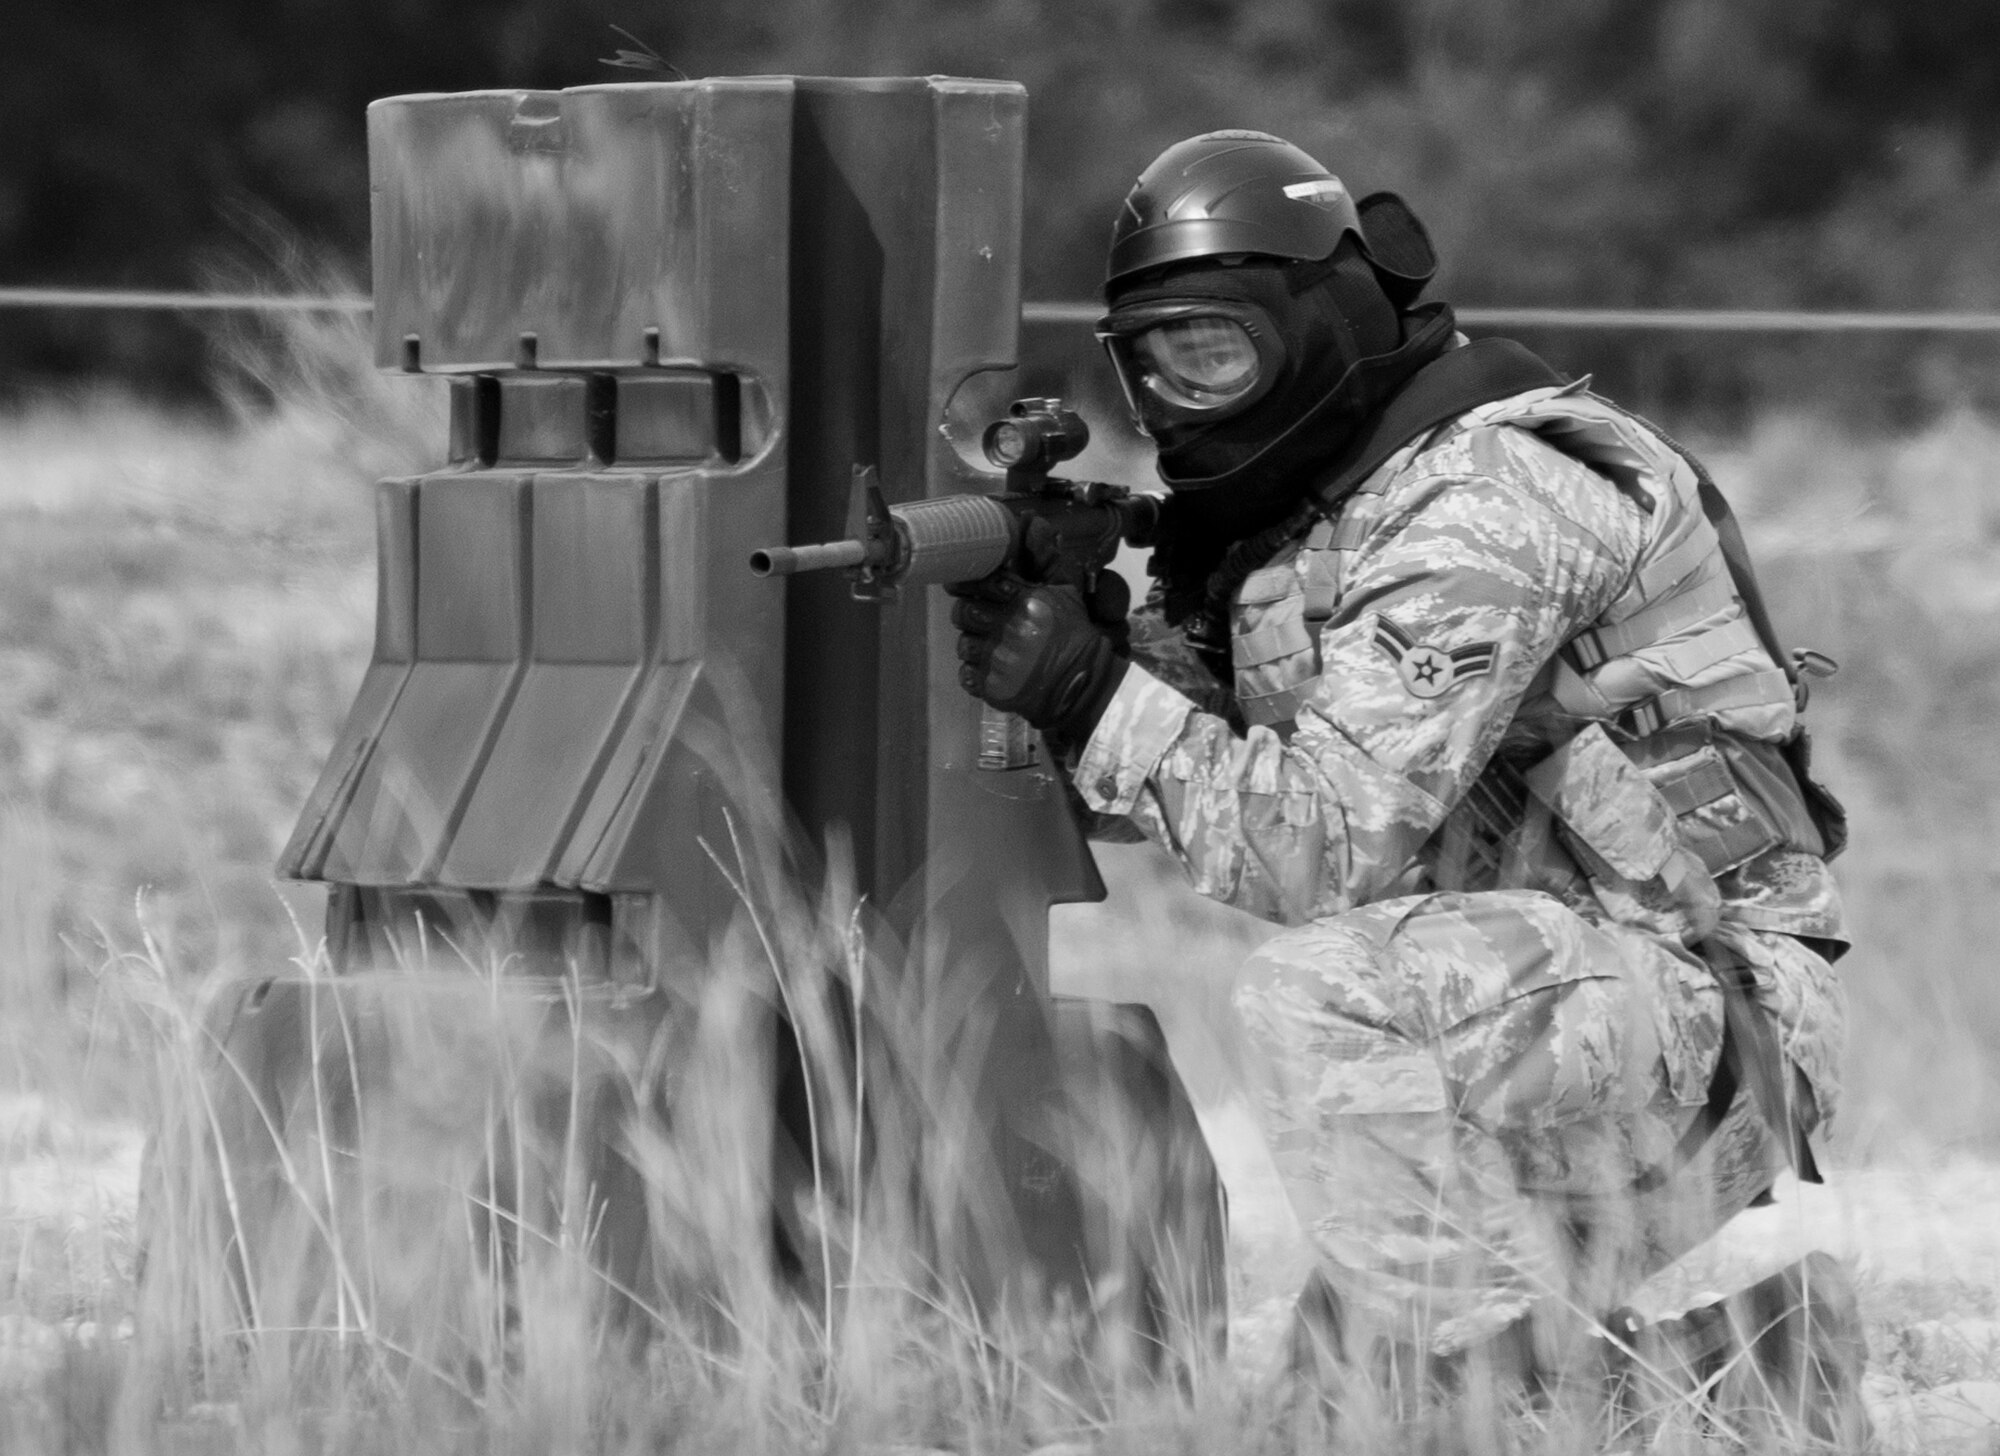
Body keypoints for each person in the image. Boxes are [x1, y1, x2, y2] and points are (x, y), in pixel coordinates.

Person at [950, 131, 1863, 1435]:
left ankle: (1500, 1396)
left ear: (1317, 321)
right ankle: (1761, 1364)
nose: (1184, 391)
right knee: (1329, 1411)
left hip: (1710, 1020)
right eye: (1152, 361)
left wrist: (1094, 693)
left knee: (1316, 1001)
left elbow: (1316, 848)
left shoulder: (1489, 505)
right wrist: (1084, 663)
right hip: (1548, 1025)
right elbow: (1214, 782)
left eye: (1217, 348)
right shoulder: (1341, 514)